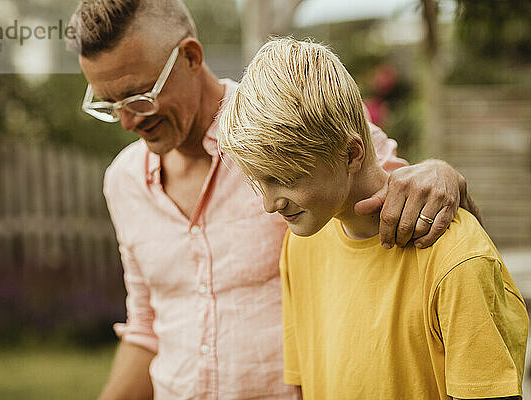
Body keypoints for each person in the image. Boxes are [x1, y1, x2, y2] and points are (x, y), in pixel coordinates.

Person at [67, 1, 481, 399]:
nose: (126, 121)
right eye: (109, 104)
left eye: (138, 97)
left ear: (191, 56)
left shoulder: (291, 121)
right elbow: (147, 327)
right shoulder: (122, 182)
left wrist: (443, 175)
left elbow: (402, 197)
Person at [218, 37, 528, 400]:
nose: (270, 205)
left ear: (351, 153)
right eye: (260, 181)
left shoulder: (456, 260)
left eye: (286, 178)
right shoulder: (299, 246)